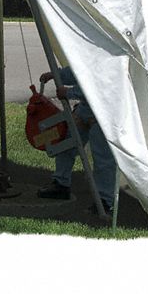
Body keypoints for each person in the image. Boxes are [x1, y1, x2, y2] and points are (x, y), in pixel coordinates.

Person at [36, 66, 116, 215]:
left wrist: (69, 92)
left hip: (105, 113)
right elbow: (79, 70)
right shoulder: (92, 55)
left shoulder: (110, 58)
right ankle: (61, 184)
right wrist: (56, 74)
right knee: (65, 145)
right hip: (85, 111)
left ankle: (105, 201)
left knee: (103, 160)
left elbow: (100, 84)